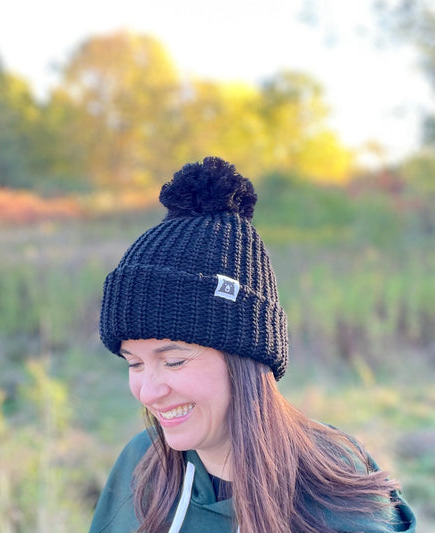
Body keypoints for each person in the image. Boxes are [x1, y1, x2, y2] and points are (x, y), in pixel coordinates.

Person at [89, 157, 416, 533]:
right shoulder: (140, 464)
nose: (148, 392)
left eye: (174, 361)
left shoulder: (337, 500)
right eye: (134, 363)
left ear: (245, 358)